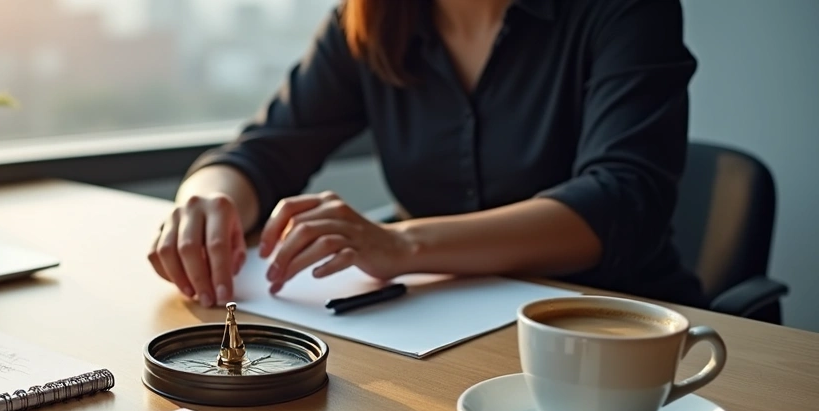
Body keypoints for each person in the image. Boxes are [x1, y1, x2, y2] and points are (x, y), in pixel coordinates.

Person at [147, 0, 706, 310]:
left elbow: (622, 200)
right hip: (444, 325)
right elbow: (263, 152)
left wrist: (402, 244)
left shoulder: (624, 12)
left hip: (614, 326)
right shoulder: (367, 21)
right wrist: (206, 202)